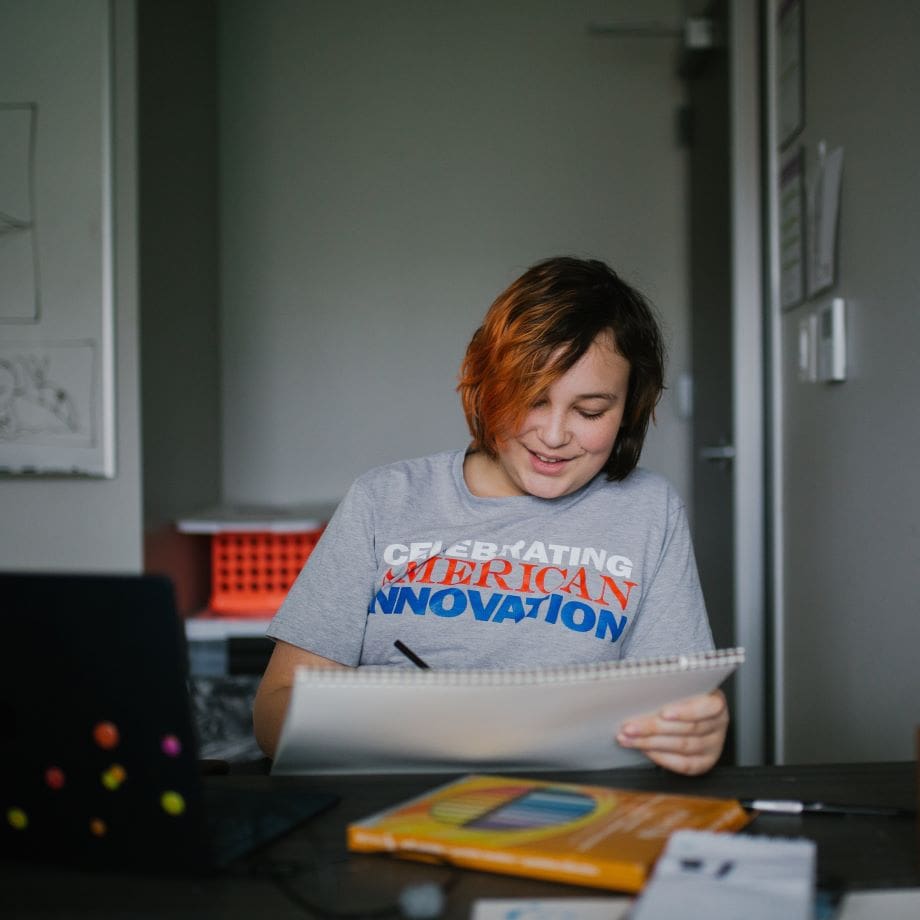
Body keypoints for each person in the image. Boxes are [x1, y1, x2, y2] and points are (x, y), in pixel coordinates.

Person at [253, 256, 729, 775]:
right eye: (532, 400)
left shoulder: (647, 510)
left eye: (590, 412)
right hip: (392, 800)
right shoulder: (384, 500)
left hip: (575, 812)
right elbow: (274, 712)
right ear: (487, 383)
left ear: (630, 408)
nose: (553, 436)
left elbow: (673, 708)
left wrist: (692, 736)